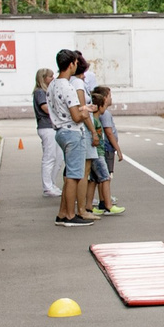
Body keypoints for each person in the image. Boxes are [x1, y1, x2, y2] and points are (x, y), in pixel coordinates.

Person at [50, 49, 95, 226]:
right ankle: (70, 215)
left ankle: (62, 213)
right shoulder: (68, 87)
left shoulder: (53, 84)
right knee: (74, 176)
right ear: (71, 64)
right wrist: (86, 112)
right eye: (76, 63)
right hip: (73, 132)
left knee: (70, 173)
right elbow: (76, 116)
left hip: (60, 131)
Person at [86, 85, 126, 216]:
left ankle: (88, 206)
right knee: (105, 177)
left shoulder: (93, 120)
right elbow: (105, 134)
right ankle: (108, 205)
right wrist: (118, 150)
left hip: (94, 154)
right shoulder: (96, 121)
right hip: (99, 154)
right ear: (99, 107)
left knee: (93, 180)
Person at [31, 66, 62, 198]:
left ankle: (52, 183)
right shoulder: (40, 92)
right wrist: (60, 112)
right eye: (50, 76)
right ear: (43, 78)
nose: (52, 78)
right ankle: (47, 186)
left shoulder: (48, 91)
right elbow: (45, 108)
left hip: (53, 127)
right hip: (46, 127)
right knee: (49, 157)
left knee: (58, 157)